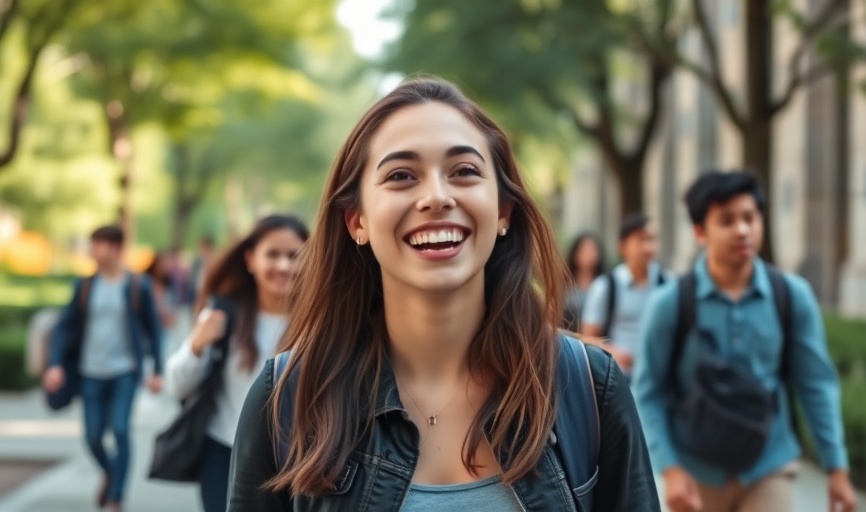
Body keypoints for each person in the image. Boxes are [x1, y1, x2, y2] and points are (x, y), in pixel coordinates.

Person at [227, 77, 659, 511]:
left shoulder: (588, 388)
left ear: (503, 210)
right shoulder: (285, 400)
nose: (436, 197)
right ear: (356, 221)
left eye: (465, 171)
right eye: (400, 176)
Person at [634, 171, 855, 512]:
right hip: (696, 472)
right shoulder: (671, 303)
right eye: (726, 221)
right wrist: (670, 468)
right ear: (699, 231)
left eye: (750, 218)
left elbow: (816, 383)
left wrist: (836, 467)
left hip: (770, 465)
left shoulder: (791, 296)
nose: (742, 230)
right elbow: (648, 392)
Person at [166, 215, 309, 512]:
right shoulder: (222, 315)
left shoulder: (320, 321)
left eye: (294, 255)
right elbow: (177, 386)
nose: (283, 265)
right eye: (272, 254)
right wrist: (196, 344)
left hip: (298, 460)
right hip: (225, 454)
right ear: (250, 259)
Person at [43, 225, 164, 512]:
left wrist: (157, 370)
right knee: (93, 437)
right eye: (92, 245)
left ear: (117, 249)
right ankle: (111, 473)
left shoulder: (137, 286)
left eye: (99, 245)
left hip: (125, 371)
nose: (93, 251)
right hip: (89, 373)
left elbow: (154, 330)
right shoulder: (84, 286)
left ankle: (115, 498)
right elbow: (64, 328)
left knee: (120, 431)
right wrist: (55, 364)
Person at [580, 214, 671, 374]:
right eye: (640, 240)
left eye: (651, 239)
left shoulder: (668, 283)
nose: (648, 247)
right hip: (619, 376)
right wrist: (613, 353)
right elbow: (588, 338)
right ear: (622, 246)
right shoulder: (605, 287)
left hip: (659, 374)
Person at [562, 233, 604, 333]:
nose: (589, 255)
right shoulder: (564, 287)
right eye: (585, 251)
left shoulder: (605, 285)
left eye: (592, 250)